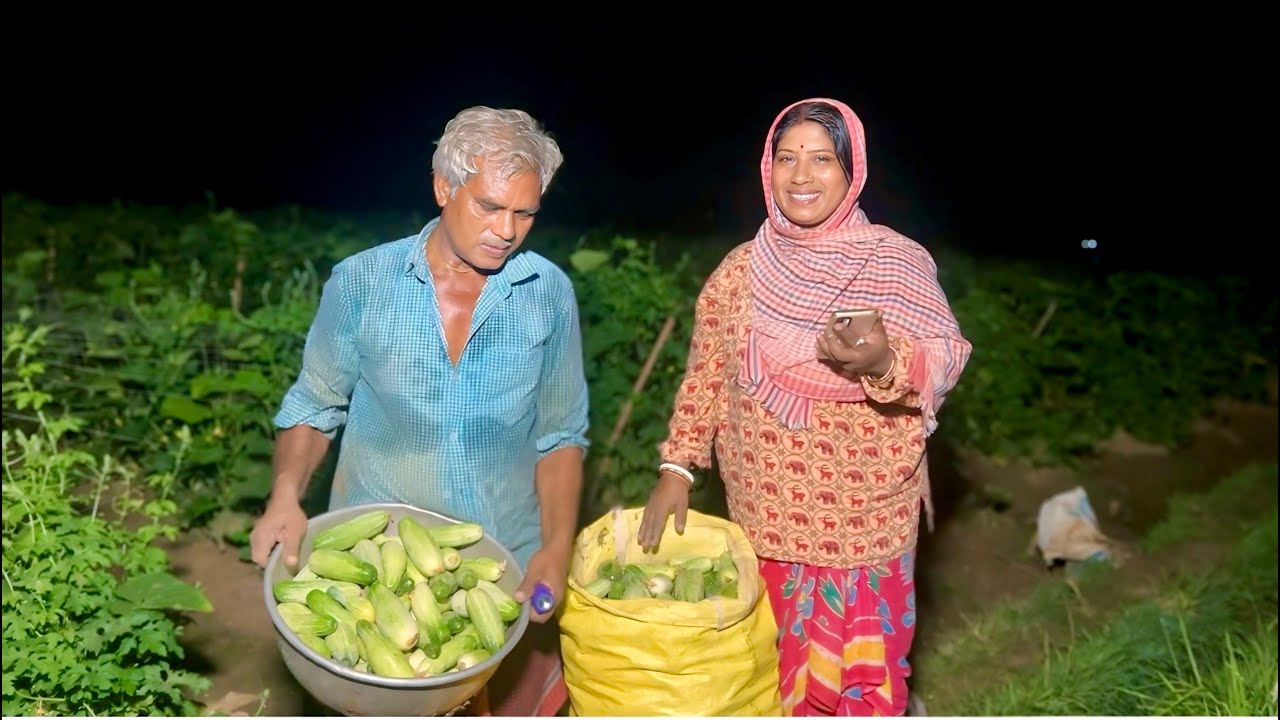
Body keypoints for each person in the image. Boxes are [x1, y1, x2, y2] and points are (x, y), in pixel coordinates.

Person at [249, 105, 588, 716]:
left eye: (525, 213)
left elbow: (561, 435)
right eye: (489, 206)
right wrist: (284, 493)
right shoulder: (361, 283)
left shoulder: (548, 295)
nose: (507, 230)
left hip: (498, 562)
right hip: (374, 561)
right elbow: (314, 403)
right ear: (443, 187)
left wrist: (557, 545)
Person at [638, 97, 972, 716]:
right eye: (786, 158)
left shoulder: (894, 261)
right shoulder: (741, 270)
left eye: (821, 159)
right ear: (767, 170)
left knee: (865, 678)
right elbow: (705, 379)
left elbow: (945, 356)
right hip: (767, 517)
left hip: (868, 515)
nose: (800, 175)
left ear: (852, 171)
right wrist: (677, 470)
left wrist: (879, 362)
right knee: (775, 673)